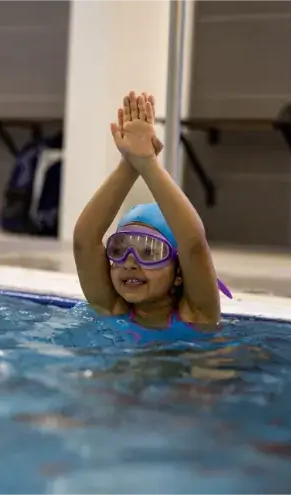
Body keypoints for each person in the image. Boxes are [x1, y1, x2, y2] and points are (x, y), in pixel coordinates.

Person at [73, 91, 231, 344]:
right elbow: (84, 240)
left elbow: (194, 245)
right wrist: (129, 164)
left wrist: (148, 164)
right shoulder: (113, 307)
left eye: (149, 252)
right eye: (120, 249)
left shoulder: (196, 314)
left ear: (179, 272)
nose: (130, 263)